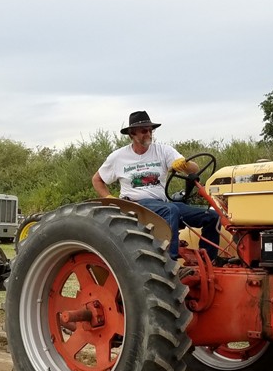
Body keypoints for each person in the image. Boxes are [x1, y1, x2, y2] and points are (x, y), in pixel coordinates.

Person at [92, 110, 219, 262]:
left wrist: (184, 165)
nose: (149, 134)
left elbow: (194, 169)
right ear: (132, 134)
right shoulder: (118, 157)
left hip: (160, 204)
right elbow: (97, 179)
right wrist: (109, 198)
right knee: (171, 210)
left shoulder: (163, 150)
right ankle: (170, 265)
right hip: (136, 206)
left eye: (151, 130)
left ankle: (207, 262)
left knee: (212, 216)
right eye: (144, 131)